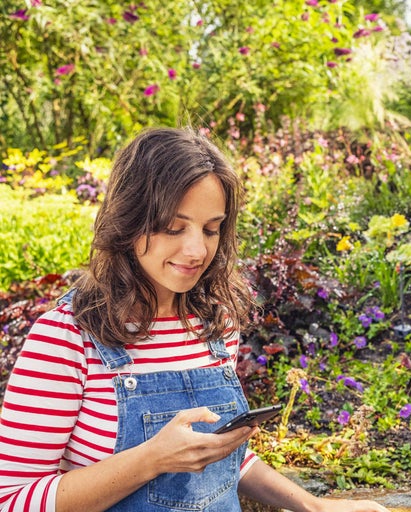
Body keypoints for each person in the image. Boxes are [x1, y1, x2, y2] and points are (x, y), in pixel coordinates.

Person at [0, 127, 390, 512]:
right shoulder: (65, 337)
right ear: (129, 219)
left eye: (211, 229)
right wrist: (150, 459)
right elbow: (11, 500)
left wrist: (314, 506)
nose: (196, 250)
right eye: (174, 227)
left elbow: (216, 461)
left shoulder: (215, 324)